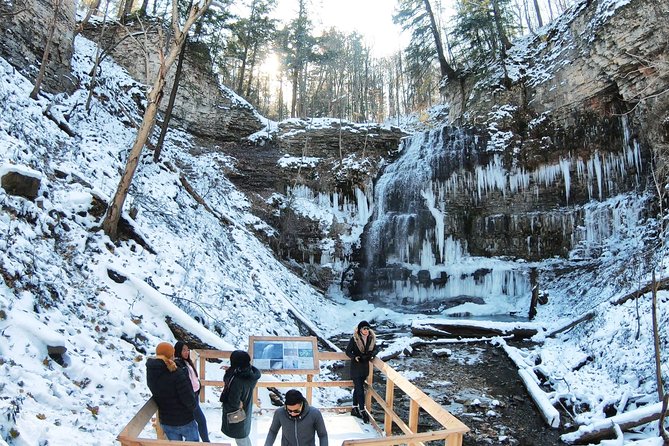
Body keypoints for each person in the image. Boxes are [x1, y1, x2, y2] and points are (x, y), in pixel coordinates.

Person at [146, 341, 198, 441]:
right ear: (171, 355)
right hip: (184, 419)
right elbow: (188, 398)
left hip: (166, 420)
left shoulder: (151, 372)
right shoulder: (176, 372)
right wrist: (193, 407)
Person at [220, 350, 261, 446]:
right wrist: (232, 370)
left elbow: (233, 402)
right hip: (246, 409)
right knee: (244, 436)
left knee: (240, 439)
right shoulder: (249, 374)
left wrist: (229, 374)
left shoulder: (237, 380)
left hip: (238, 414)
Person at [264, 389, 328, 446]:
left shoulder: (314, 413)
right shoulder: (280, 413)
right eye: (289, 410)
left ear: (302, 404)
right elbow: (273, 431)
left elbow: (322, 435)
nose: (292, 413)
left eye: (296, 411)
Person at [174, 341, 210, 442]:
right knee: (201, 420)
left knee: (195, 421)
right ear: (178, 351)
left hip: (194, 395)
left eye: (188, 350)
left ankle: (203, 442)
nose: (186, 352)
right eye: (184, 350)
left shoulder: (186, 362)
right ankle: (207, 443)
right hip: (190, 397)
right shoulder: (178, 364)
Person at [345, 320, 379, 423]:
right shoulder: (354, 339)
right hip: (356, 367)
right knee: (360, 390)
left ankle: (354, 408)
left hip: (364, 367)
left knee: (358, 388)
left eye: (368, 328)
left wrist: (371, 354)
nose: (367, 330)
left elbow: (376, 349)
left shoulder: (371, 338)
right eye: (364, 329)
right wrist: (354, 357)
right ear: (360, 330)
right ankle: (362, 410)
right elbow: (347, 351)